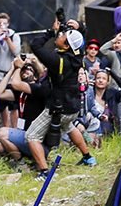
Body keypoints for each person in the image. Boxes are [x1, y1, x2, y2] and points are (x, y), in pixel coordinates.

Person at [25, 20, 98, 175]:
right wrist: (80, 27)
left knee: (31, 135)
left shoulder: (57, 61)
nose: (60, 35)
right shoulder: (78, 55)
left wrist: (51, 32)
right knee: (69, 126)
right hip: (73, 106)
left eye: (63, 35)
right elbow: (81, 39)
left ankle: (44, 172)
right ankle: (88, 158)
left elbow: (35, 45)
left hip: (58, 107)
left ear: (66, 46)